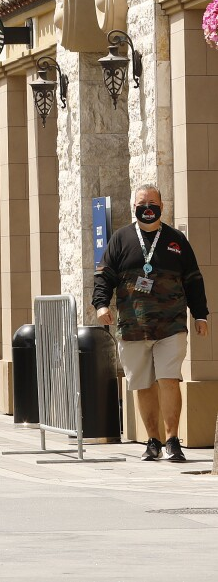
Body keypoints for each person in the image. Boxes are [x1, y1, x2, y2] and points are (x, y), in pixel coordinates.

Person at [93, 184, 210, 462]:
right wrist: (100, 305)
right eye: (142, 202)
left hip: (171, 327)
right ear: (133, 206)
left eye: (153, 202)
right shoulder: (121, 239)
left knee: (169, 379)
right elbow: (103, 277)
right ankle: (153, 441)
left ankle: (172, 441)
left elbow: (193, 279)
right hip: (133, 328)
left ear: (162, 206)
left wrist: (200, 314)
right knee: (143, 384)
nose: (147, 207)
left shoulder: (176, 240)